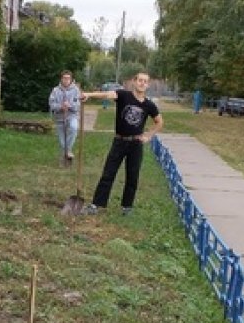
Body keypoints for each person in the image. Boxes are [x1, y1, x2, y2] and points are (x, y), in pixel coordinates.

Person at [80, 71, 163, 216]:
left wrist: (148, 135)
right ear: (134, 82)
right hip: (119, 141)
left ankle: (127, 207)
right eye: (140, 80)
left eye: (145, 81)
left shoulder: (149, 105)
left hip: (136, 144)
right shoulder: (124, 95)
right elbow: (106, 94)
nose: (142, 83)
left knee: (132, 176)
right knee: (108, 173)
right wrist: (89, 94)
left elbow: (159, 122)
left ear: (147, 85)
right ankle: (96, 205)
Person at [48, 70, 81, 162]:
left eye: (68, 78)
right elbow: (51, 104)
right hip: (59, 117)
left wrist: (69, 105)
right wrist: (60, 106)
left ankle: (68, 150)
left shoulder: (76, 90)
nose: (66, 80)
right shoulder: (55, 90)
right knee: (62, 140)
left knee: (74, 128)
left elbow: (78, 105)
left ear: (71, 80)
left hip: (71, 115)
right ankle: (66, 156)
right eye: (64, 78)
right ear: (61, 79)